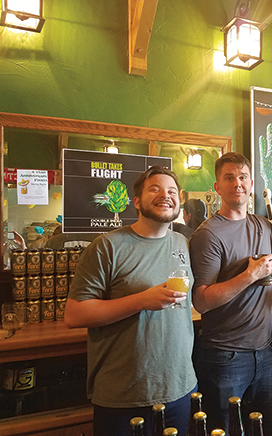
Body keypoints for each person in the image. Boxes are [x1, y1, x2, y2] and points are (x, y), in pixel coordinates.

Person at [65, 165, 198, 436]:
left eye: (172, 191)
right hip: (124, 394)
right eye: (155, 189)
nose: (165, 195)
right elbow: (75, 314)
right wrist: (141, 300)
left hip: (180, 385)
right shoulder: (107, 246)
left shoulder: (183, 243)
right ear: (136, 201)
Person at [190, 152, 272, 436]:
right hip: (225, 356)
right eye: (229, 178)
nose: (237, 183)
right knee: (224, 431)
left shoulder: (264, 226)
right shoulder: (208, 234)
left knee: (268, 430)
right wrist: (250, 275)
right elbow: (201, 300)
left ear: (252, 183)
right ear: (217, 187)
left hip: (266, 351)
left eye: (242, 177)